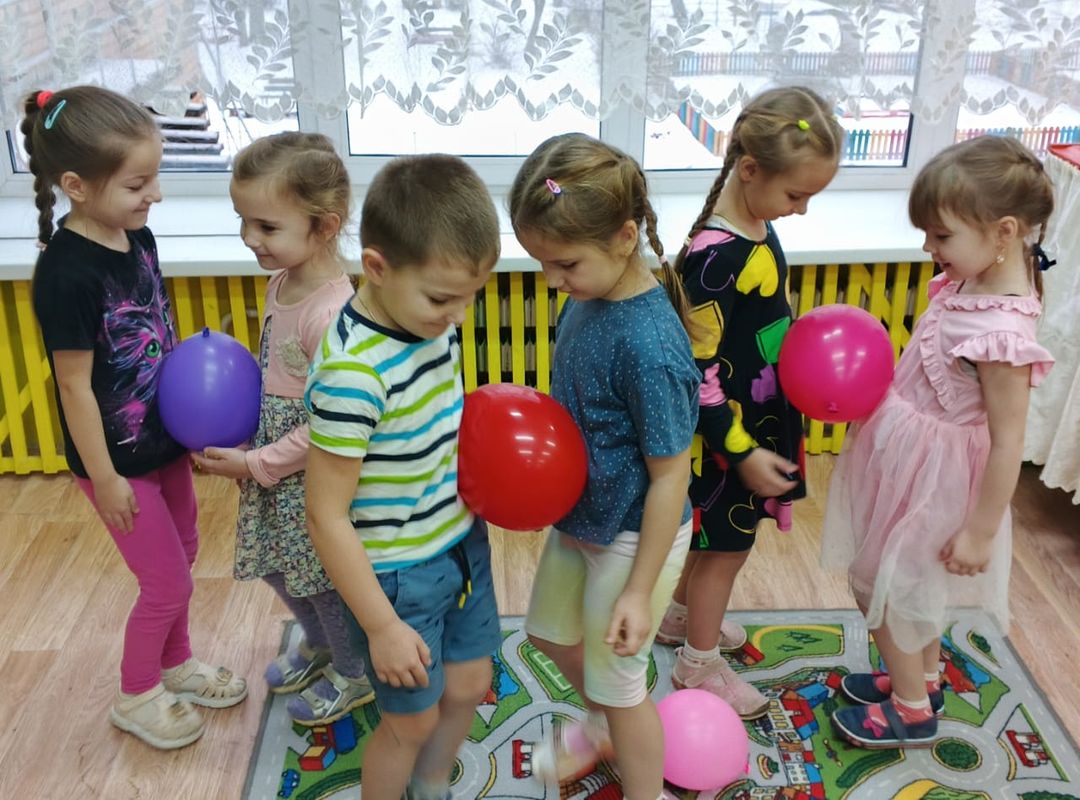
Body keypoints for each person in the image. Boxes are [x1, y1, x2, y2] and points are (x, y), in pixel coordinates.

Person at [24, 86, 247, 750]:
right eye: (137, 183)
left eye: (155, 177)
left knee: (185, 553)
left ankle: (176, 665)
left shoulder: (138, 237)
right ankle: (136, 692)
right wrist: (105, 478)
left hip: (162, 442)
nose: (156, 194)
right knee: (166, 580)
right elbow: (73, 386)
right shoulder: (65, 275)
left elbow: (157, 332)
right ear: (76, 186)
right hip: (115, 463)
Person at [822, 135, 1055, 748]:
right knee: (903, 582)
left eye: (941, 235)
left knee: (884, 586)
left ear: (1004, 233)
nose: (929, 247)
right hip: (906, 459)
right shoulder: (970, 281)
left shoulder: (1002, 334)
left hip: (938, 479)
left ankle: (912, 711)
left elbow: (1007, 442)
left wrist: (980, 531)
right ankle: (921, 678)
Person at [304, 155, 502, 800]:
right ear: (377, 267)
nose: (459, 316)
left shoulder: (429, 322)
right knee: (409, 721)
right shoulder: (353, 376)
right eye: (443, 298)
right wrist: (383, 626)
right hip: (394, 577)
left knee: (470, 684)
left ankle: (432, 784)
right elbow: (325, 515)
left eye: (471, 296)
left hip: (459, 544)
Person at [510, 133, 701, 800]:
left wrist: (637, 592)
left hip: (636, 535)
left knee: (621, 686)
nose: (551, 280)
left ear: (624, 238)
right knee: (548, 634)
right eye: (543, 263)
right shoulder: (589, 297)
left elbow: (671, 476)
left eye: (564, 263)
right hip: (584, 515)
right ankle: (601, 725)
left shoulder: (649, 345)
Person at [657, 86, 843, 719]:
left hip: (754, 419)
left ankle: (680, 619)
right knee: (725, 551)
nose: (802, 209)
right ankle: (698, 665)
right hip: (725, 437)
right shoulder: (717, 256)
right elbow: (698, 371)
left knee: (714, 540)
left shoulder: (755, 228)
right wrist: (740, 451)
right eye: (796, 195)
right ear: (750, 169)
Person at [190, 132, 372, 725]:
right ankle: (321, 643)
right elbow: (275, 374)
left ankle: (354, 671)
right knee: (277, 564)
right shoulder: (282, 281)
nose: (250, 238)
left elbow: (329, 424)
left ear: (324, 227)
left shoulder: (332, 313)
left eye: (266, 226)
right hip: (273, 461)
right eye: (243, 221)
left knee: (322, 579)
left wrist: (256, 462)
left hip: (310, 473)